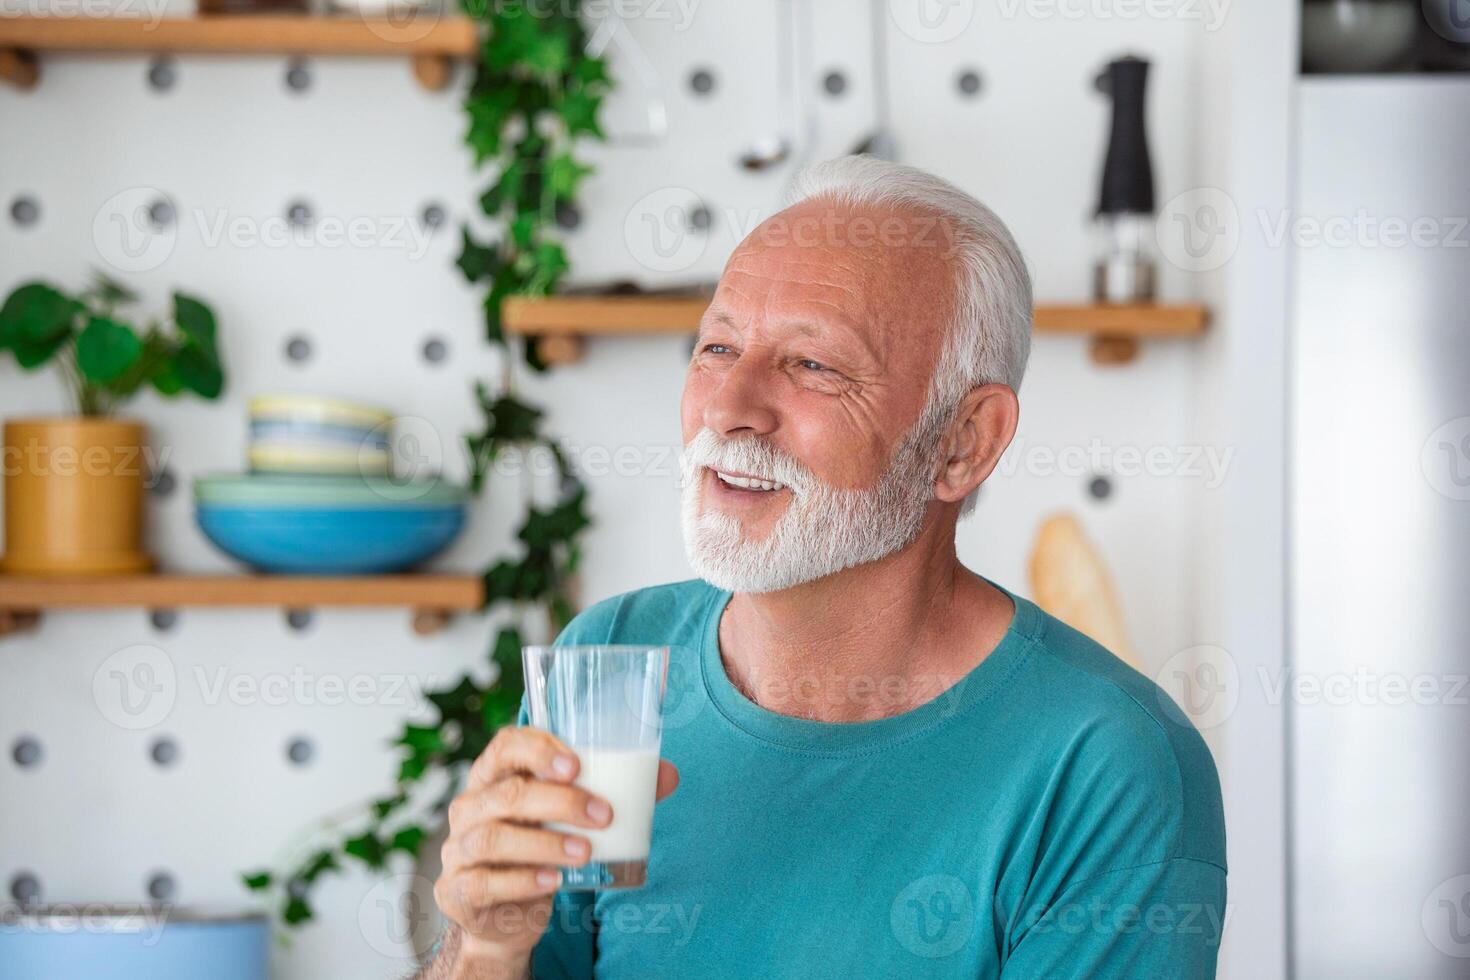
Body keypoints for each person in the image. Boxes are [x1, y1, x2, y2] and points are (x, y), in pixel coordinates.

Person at [417, 157, 1227, 979]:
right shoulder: (611, 658)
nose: (730, 409)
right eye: (717, 345)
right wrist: (485, 945)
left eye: (812, 366)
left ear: (964, 442)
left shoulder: (1107, 764)